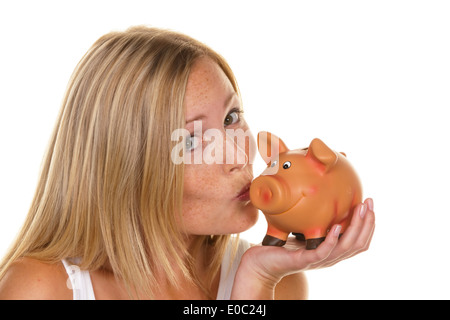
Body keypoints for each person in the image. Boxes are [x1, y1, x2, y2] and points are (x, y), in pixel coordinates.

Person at [0, 26, 375, 300]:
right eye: (193, 140)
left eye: (231, 118)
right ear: (128, 170)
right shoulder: (42, 289)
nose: (238, 154)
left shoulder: (280, 280)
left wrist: (256, 282)